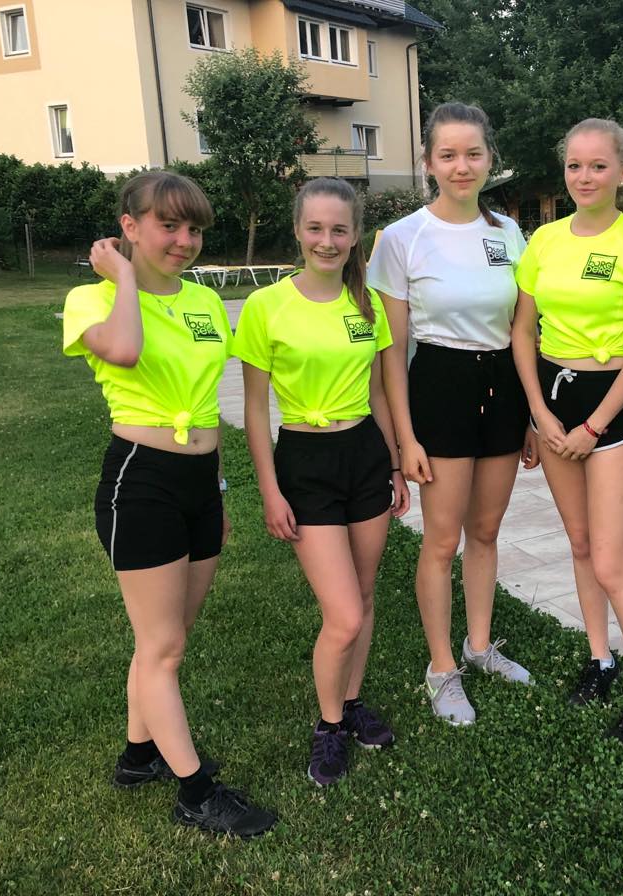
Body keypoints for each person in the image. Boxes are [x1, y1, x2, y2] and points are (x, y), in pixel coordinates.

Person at [62, 171, 275, 836]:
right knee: (164, 646)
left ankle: (138, 757)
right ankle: (195, 793)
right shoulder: (91, 299)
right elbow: (125, 351)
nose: (184, 241)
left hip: (199, 483)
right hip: (142, 481)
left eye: (194, 229)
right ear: (129, 226)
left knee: (164, 640)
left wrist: (217, 491)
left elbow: (207, 401)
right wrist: (125, 277)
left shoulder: (206, 303)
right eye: (168, 225)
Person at [234, 177, 409, 785]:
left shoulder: (367, 306)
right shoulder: (266, 307)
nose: (327, 241)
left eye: (339, 230)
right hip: (305, 461)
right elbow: (254, 409)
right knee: (343, 615)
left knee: (364, 596)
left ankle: (352, 703)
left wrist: (394, 463)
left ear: (356, 235)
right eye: (315, 228)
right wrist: (270, 490)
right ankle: (328, 726)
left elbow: (378, 393)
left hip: (364, 455)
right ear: (298, 231)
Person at [369, 102, 535, 726]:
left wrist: (528, 414)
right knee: (442, 540)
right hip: (439, 383)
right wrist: (405, 437)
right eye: (448, 155)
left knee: (485, 531)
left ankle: (479, 645)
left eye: (473, 154)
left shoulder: (509, 233)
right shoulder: (403, 238)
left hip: (503, 387)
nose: (461, 166)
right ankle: (442, 668)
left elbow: (525, 329)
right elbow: (392, 351)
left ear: (489, 158)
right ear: (428, 162)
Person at [511, 118, 623, 744]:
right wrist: (539, 412)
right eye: (575, 165)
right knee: (580, 544)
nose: (584, 176)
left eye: (598, 166)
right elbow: (523, 331)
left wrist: (594, 425)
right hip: (552, 399)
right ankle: (601, 659)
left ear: (622, 173)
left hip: (612, 407)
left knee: (610, 561)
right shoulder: (545, 241)